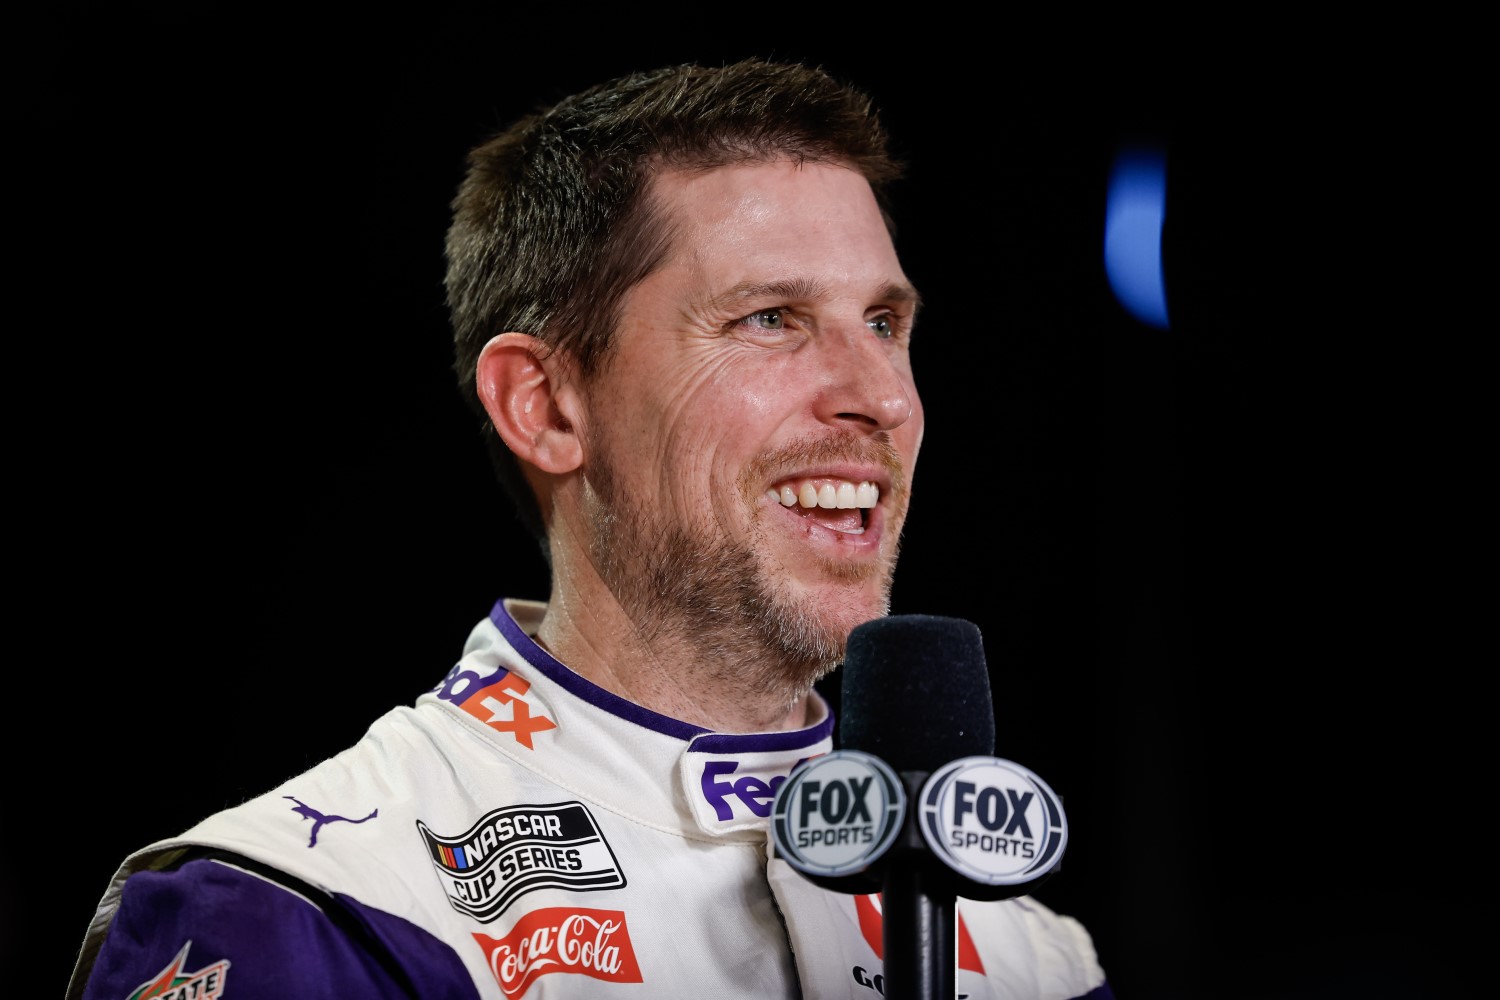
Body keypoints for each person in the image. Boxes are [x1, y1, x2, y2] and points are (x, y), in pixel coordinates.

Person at [65, 59, 1115, 999]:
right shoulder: (317, 908)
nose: (880, 395)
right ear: (546, 405)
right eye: (771, 320)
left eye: (886, 324)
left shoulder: (1035, 955)